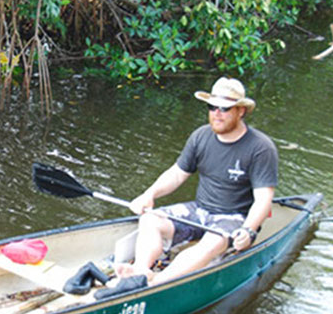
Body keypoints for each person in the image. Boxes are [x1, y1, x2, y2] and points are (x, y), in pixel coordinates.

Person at [96, 76, 278, 298]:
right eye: (212, 107)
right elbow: (177, 174)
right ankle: (141, 272)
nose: (216, 113)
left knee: (212, 242)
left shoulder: (260, 147)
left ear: (241, 111)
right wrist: (149, 194)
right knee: (150, 219)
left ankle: (156, 285)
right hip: (199, 210)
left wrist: (249, 230)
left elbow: (263, 199)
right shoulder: (201, 136)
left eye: (224, 108)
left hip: (232, 218)